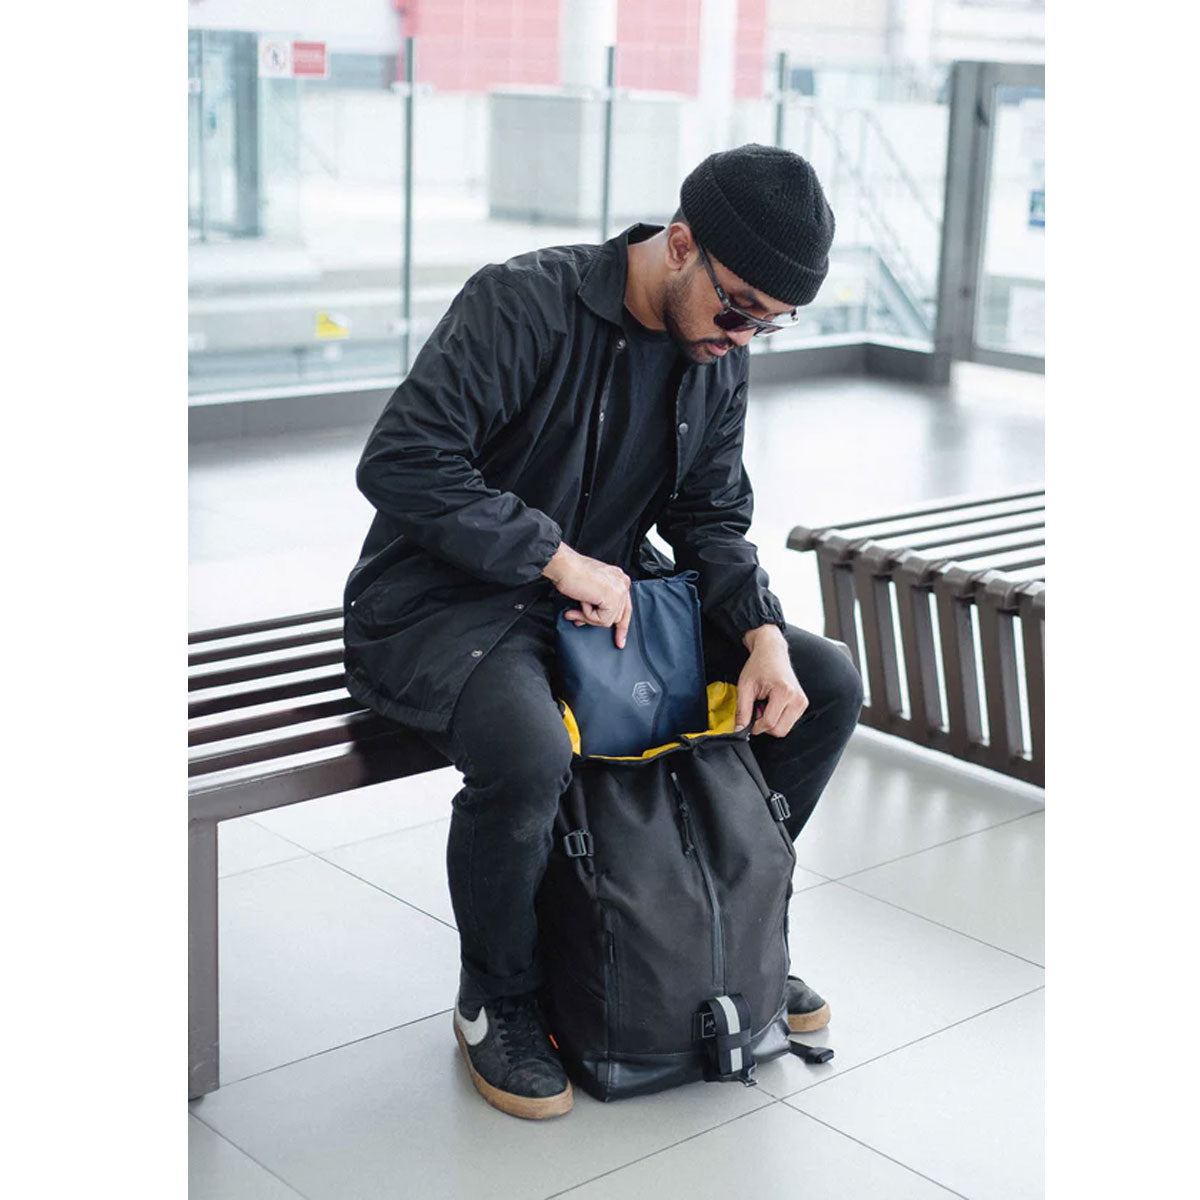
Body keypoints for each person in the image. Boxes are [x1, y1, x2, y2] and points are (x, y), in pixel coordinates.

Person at [343, 143, 864, 1120]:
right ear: (681, 245)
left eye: (770, 322)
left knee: (823, 682)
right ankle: (497, 995)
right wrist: (555, 557)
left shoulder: (716, 354)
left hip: (614, 603)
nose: (743, 336)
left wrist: (759, 632)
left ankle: (726, 925)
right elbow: (403, 460)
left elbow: (711, 515)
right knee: (528, 754)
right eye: (739, 308)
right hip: (454, 602)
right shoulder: (521, 303)